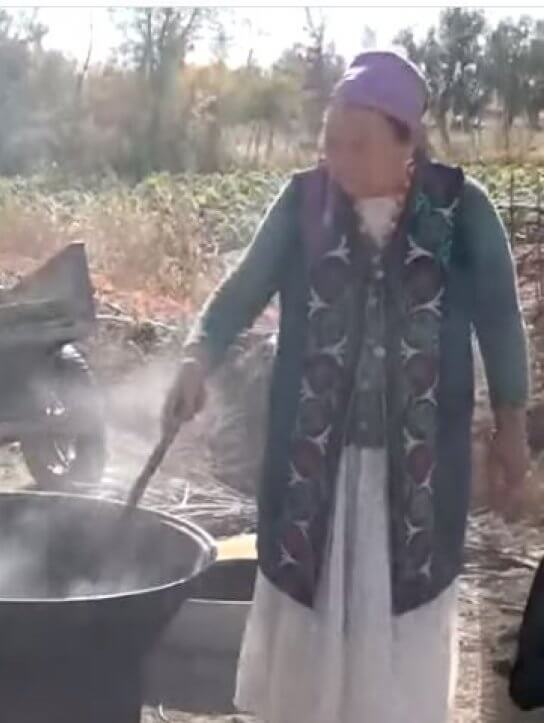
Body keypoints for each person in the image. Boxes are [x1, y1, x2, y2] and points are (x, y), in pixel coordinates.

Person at [163, 49, 531, 723]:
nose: (338, 156)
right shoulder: (304, 203)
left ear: (407, 141)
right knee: (314, 614)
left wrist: (512, 430)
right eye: (330, 139)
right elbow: (239, 293)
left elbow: (502, 322)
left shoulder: (461, 212)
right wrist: (196, 360)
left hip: (416, 476)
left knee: (397, 624)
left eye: (358, 143)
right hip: (313, 473)